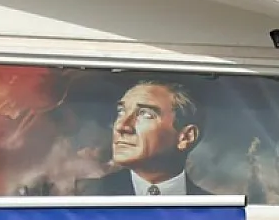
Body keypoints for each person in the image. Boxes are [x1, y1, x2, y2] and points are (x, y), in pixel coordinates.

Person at [76, 79, 212, 196]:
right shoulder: (84, 197)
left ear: (186, 137)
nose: (121, 126)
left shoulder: (219, 210)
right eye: (121, 111)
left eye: (145, 114)